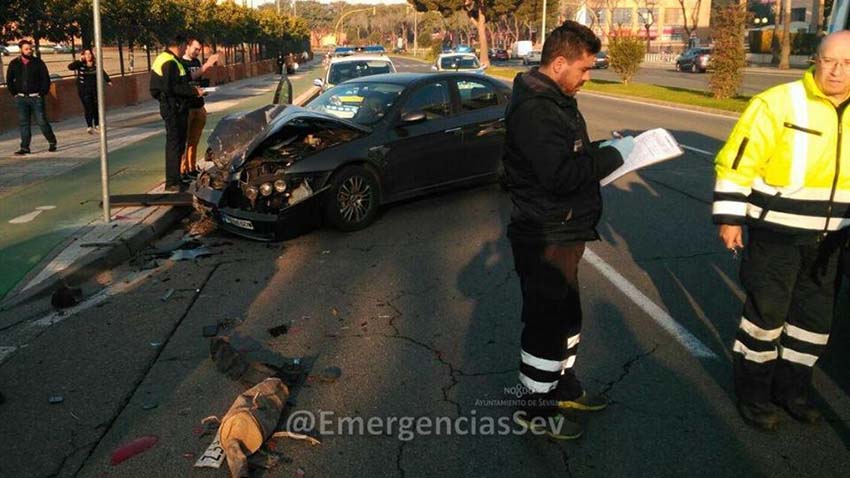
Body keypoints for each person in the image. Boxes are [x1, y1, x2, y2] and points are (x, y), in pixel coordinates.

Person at [501, 20, 634, 440]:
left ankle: (563, 386)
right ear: (558, 63)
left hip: (564, 229)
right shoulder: (537, 110)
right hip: (544, 234)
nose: (587, 78)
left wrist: (603, 150)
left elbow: (569, 155)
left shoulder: (555, 98)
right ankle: (535, 409)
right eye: (584, 69)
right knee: (545, 323)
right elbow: (559, 174)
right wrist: (613, 157)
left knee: (566, 316)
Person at [713, 30, 850, 432]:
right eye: (830, 61)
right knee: (766, 318)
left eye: (848, 63)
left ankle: (793, 391)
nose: (838, 71)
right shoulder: (777, 103)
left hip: (833, 240)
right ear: (815, 60)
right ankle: (753, 395)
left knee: (813, 323)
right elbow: (736, 165)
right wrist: (730, 217)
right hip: (777, 234)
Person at [150, 34, 203, 192]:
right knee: (174, 144)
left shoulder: (170, 59)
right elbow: (171, 87)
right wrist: (194, 91)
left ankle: (176, 179)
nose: (184, 50)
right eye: (184, 47)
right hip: (173, 107)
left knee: (179, 143)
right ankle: (172, 182)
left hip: (176, 106)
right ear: (179, 46)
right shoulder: (169, 61)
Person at [5, 39, 57, 155]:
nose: (29, 51)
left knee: (42, 121)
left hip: (36, 98)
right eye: (26, 49)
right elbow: (9, 79)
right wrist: (14, 93)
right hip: (21, 98)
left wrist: (42, 93)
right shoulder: (14, 63)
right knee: (24, 123)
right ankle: (25, 147)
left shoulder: (38, 63)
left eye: (30, 49)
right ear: (21, 50)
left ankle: (52, 141)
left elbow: (45, 79)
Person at [180, 37, 219, 183]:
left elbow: (197, 79)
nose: (197, 52)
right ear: (187, 46)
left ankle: (191, 167)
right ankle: (182, 169)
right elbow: (190, 77)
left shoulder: (196, 62)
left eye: (199, 50)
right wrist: (208, 64)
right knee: (184, 139)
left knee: (194, 140)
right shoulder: (181, 63)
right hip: (187, 106)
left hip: (199, 104)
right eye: (195, 49)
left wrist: (205, 89)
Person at [68, 49, 112, 134]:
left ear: (92, 55)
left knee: (95, 107)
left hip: (95, 89)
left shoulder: (96, 65)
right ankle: (89, 126)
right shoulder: (80, 64)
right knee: (88, 107)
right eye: (86, 54)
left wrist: (108, 80)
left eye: (89, 54)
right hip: (84, 90)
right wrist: (79, 60)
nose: (88, 56)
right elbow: (70, 67)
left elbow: (102, 72)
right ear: (83, 55)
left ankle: (97, 124)